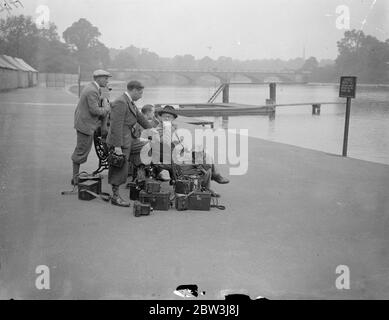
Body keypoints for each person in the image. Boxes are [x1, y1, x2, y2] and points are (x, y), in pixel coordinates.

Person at [152, 105, 230, 197]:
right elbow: (165, 144)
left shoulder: (172, 128)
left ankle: (211, 181)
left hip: (179, 155)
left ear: (173, 119)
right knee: (204, 160)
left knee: (205, 155)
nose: (167, 118)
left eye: (170, 117)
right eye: (165, 116)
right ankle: (213, 178)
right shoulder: (158, 130)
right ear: (160, 118)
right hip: (174, 161)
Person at [106, 80, 153, 207]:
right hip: (121, 141)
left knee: (149, 146)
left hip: (129, 139)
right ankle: (115, 197)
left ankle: (140, 177)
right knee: (119, 167)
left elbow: (140, 118)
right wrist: (117, 147)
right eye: (140, 93)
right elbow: (116, 126)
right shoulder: (121, 102)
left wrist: (153, 131)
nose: (141, 95)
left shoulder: (129, 102)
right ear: (134, 90)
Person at [71, 69, 111, 185]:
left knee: (81, 150)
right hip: (85, 125)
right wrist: (107, 109)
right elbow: (95, 110)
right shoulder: (92, 91)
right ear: (98, 78)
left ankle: (76, 177)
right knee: (80, 151)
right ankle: (75, 179)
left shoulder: (94, 88)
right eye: (105, 78)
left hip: (85, 122)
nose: (107, 81)